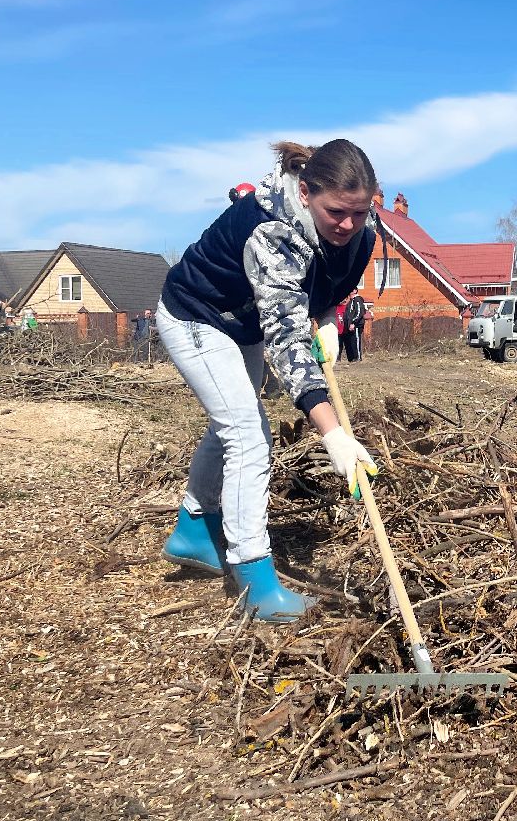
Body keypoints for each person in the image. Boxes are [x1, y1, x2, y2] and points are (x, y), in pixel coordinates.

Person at [157, 138, 381, 621]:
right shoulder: (272, 232)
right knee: (247, 433)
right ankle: (254, 581)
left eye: (359, 213)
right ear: (305, 193)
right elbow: (284, 336)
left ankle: (194, 531)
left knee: (231, 423)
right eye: (336, 212)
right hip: (197, 314)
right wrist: (334, 433)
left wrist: (328, 314)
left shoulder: (361, 230)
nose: (348, 224)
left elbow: (326, 278)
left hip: (245, 321)